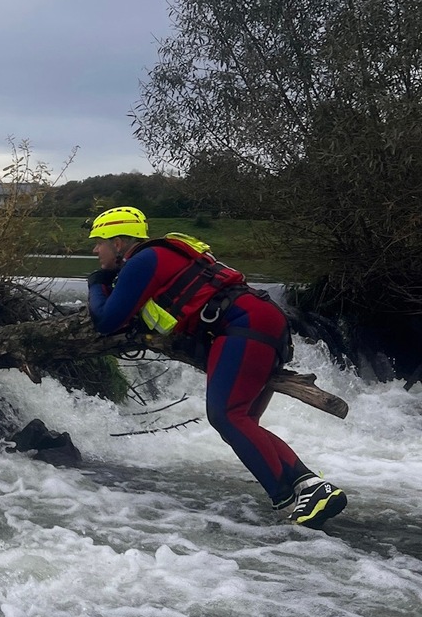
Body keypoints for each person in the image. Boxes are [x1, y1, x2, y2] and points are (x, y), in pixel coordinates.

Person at [85, 206, 347, 528]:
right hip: (263, 321)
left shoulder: (141, 260)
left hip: (245, 326)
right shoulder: (156, 257)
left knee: (227, 416)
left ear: (120, 243)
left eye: (100, 241)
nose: (95, 249)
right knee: (244, 420)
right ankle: (309, 486)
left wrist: (96, 283)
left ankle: (287, 498)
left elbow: (107, 320)